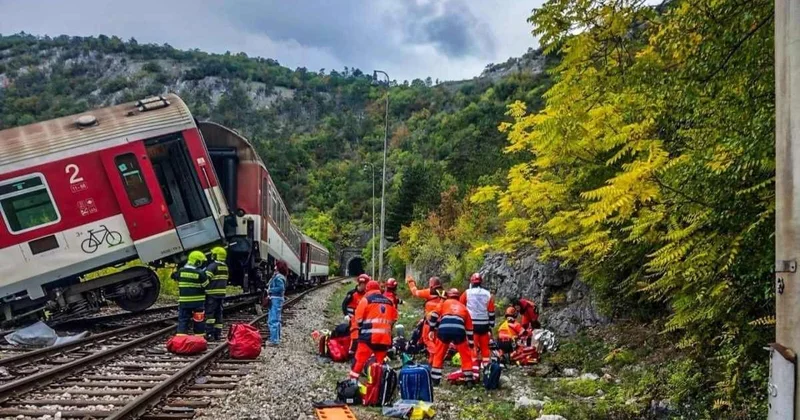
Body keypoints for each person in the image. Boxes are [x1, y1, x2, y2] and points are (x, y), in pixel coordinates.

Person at [349, 280, 398, 380]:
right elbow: (394, 318)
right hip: (384, 339)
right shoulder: (389, 301)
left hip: (368, 338)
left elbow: (358, 319)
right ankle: (376, 387)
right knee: (378, 366)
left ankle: (352, 382)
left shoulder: (366, 300)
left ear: (367, 289)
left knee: (359, 361)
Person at [428, 288, 474, 385]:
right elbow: (469, 328)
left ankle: (435, 380)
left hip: (444, 329)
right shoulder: (463, 307)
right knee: (465, 355)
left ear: (448, 295)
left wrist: (431, 330)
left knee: (439, 354)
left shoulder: (444, 303)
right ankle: (469, 379)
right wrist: (471, 343)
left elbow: (434, 315)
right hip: (459, 330)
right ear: (458, 297)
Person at [460, 272, 495, 376]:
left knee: (472, 348)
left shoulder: (467, 293)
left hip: (472, 325)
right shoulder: (487, 294)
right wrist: (491, 325)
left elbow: (461, 307)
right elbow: (491, 311)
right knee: (485, 348)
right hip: (484, 324)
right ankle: (487, 370)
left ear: (472, 282)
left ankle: (474, 372)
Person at [406, 275, 446, 363]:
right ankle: (433, 361)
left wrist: (411, 282)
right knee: (435, 341)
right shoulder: (444, 293)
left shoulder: (430, 291)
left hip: (430, 322)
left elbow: (415, 292)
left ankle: (436, 355)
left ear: (431, 284)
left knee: (427, 339)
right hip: (441, 322)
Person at [172, 251, 209, 336]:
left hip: (184, 302)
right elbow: (206, 285)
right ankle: (199, 338)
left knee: (183, 320)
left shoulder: (181, 271)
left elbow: (175, 277)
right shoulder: (200, 273)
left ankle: (181, 339)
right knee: (199, 321)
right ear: (197, 262)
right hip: (198, 303)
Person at [204, 246, 229, 341]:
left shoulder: (212, 266)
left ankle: (209, 334)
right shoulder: (225, 267)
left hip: (211, 294)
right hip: (221, 294)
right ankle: (217, 334)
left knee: (210, 314)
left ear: (216, 255)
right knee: (219, 314)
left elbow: (206, 279)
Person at [343, 274, 370, 359]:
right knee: (355, 335)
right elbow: (344, 304)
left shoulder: (367, 295)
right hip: (353, 318)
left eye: (365, 284)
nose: (364, 286)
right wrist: (346, 315)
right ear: (359, 283)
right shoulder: (352, 294)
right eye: (363, 284)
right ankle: (351, 353)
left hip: (363, 318)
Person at [267, 260, 288, 346]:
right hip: (277, 299)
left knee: (273, 320)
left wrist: (270, 290)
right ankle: (276, 338)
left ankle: (274, 340)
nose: (274, 267)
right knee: (276, 319)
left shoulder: (279, 277)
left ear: (279, 267)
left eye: (276, 265)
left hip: (276, 299)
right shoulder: (280, 276)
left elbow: (280, 288)